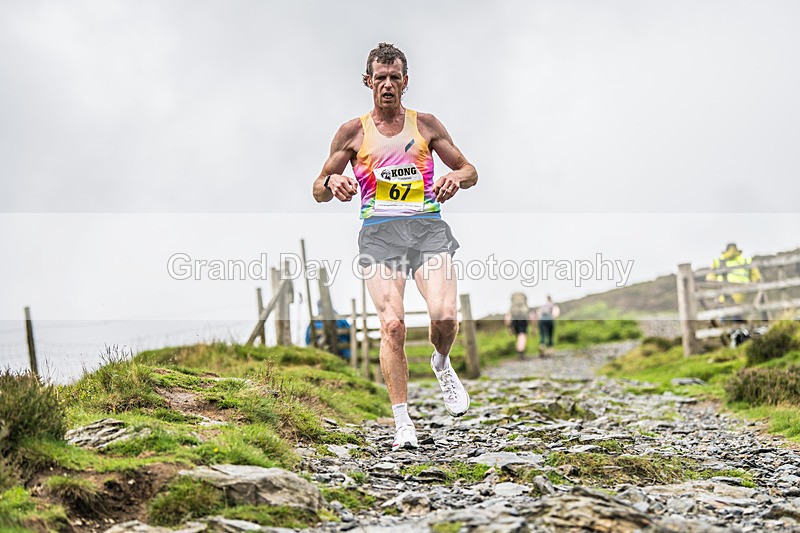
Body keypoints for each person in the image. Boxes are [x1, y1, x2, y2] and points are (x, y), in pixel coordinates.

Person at [312, 43, 477, 450]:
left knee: (445, 317)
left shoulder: (426, 125)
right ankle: (403, 422)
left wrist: (456, 178)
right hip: (380, 233)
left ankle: (440, 361)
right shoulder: (352, 132)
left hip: (427, 228)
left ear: (406, 81)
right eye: (380, 78)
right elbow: (317, 187)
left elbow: (469, 169)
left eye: (395, 77)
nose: (387, 85)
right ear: (369, 82)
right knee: (393, 325)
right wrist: (332, 183)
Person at [706, 243, 762, 322]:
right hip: (742, 295)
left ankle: (726, 331)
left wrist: (717, 286)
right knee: (737, 318)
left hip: (724, 295)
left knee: (724, 318)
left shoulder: (718, 261)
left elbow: (710, 278)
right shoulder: (746, 260)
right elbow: (757, 278)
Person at [504, 292, 535, 360]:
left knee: (518, 336)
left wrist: (509, 328)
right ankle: (521, 352)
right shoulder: (524, 307)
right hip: (522, 321)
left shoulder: (513, 308)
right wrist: (533, 328)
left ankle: (520, 352)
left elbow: (507, 318)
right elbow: (531, 316)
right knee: (522, 335)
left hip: (514, 322)